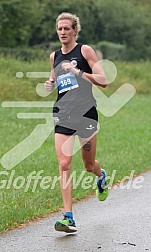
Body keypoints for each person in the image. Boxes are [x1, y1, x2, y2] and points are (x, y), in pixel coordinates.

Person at [44, 12, 109, 233]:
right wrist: (50, 83)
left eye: (66, 29)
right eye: (59, 29)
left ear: (74, 30)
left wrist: (78, 71)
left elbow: (104, 81)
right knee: (64, 164)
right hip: (63, 113)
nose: (62, 32)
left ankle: (101, 177)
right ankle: (68, 217)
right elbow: (56, 79)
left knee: (89, 166)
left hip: (86, 114)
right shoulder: (54, 56)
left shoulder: (85, 51)